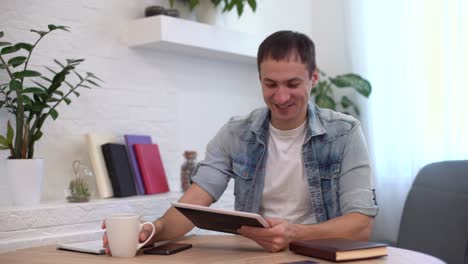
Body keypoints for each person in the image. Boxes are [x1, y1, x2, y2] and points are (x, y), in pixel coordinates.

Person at [102, 30, 378, 253]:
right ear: (259, 79)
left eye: (292, 84)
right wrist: (153, 232)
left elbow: (360, 225)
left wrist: (295, 233)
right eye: (270, 84)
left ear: (313, 78)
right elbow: (193, 204)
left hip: (320, 254)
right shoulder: (236, 133)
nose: (281, 97)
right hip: (255, 255)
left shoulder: (344, 132)